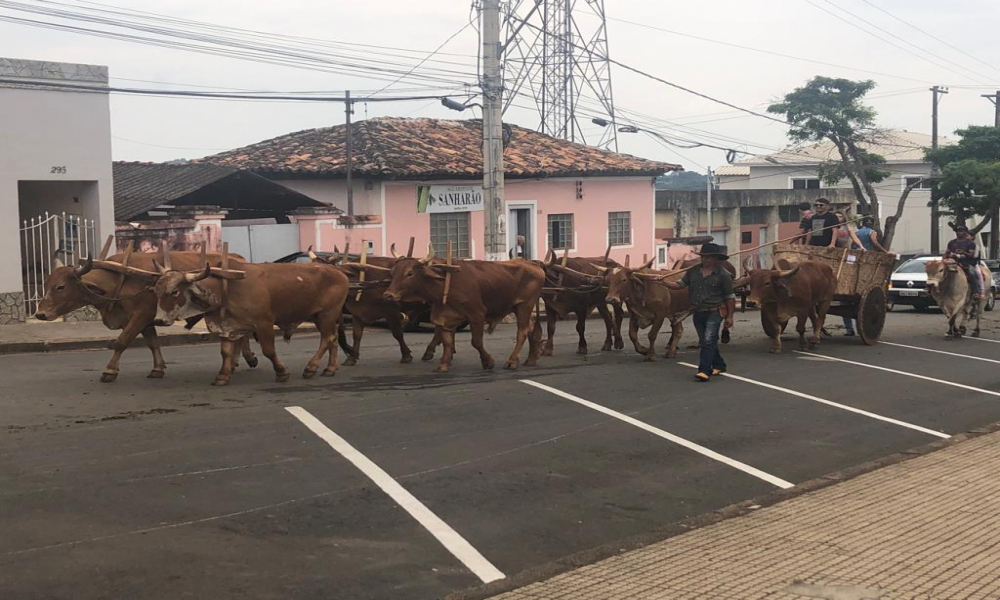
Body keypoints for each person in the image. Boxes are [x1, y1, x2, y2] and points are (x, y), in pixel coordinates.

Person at [661, 243, 736, 382]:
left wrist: (730, 316)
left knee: (707, 341)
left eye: (709, 257)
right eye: (703, 257)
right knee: (707, 340)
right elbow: (680, 284)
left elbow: (730, 297)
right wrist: (665, 283)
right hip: (698, 311)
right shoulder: (693, 271)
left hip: (715, 311)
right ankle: (719, 364)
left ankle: (704, 370)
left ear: (716, 259)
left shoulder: (724, 275)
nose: (705, 260)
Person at [945, 225, 984, 299]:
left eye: (960, 231)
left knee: (972, 273)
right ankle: (932, 288)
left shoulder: (970, 243)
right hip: (953, 262)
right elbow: (947, 252)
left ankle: (975, 292)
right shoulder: (951, 242)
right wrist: (944, 259)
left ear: (965, 232)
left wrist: (963, 252)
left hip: (966, 263)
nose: (958, 233)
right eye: (957, 231)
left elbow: (971, 255)